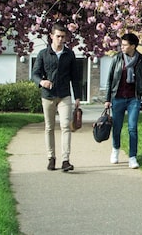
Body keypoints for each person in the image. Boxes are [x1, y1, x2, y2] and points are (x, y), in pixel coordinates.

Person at [32, 22, 83, 172]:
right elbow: (34, 74)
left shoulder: (70, 54)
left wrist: (78, 96)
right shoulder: (43, 54)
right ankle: (51, 158)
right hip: (47, 96)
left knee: (65, 126)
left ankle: (66, 160)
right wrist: (42, 82)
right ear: (51, 36)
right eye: (58, 36)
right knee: (49, 127)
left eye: (63, 37)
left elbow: (75, 77)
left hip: (64, 95)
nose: (60, 39)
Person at [105, 32, 142, 169]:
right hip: (118, 98)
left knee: (132, 128)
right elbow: (110, 79)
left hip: (134, 99)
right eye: (122, 44)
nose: (122, 47)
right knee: (117, 127)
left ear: (133, 46)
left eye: (125, 45)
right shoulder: (117, 58)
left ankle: (132, 157)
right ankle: (115, 149)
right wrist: (107, 99)